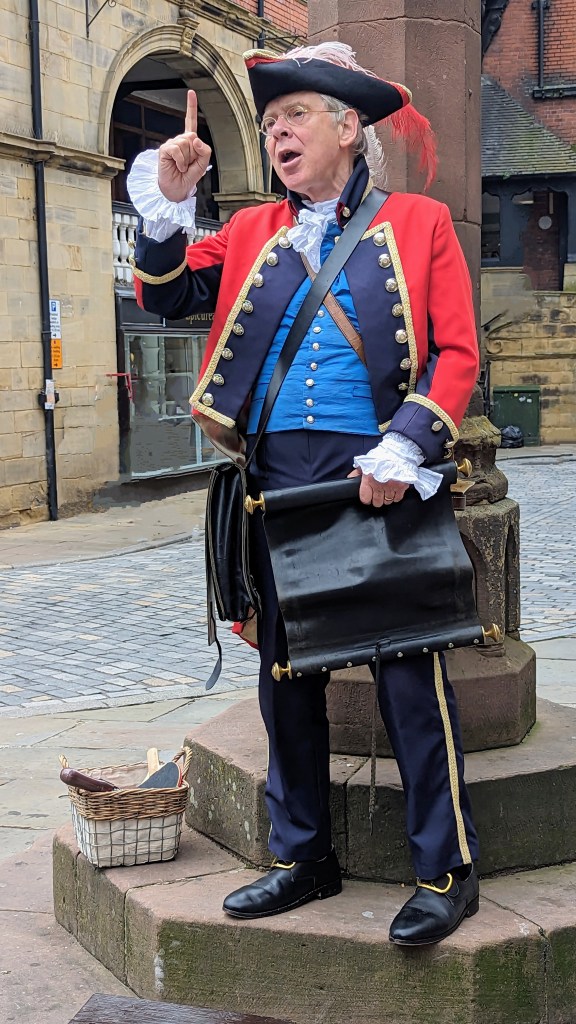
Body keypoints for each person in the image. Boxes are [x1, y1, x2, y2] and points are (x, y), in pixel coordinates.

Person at [127, 42, 480, 946]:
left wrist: (407, 445)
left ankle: (445, 870)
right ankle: (303, 856)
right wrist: (167, 205)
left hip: (379, 478)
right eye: (271, 122)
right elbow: (166, 295)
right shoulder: (252, 230)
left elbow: (455, 353)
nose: (278, 133)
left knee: (409, 678)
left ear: (349, 127)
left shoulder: (420, 222)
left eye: (296, 116)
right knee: (285, 678)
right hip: (277, 485)